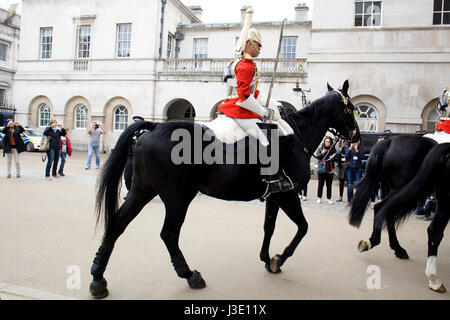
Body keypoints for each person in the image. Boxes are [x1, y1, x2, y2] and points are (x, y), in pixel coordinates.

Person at [217, 7, 295, 196]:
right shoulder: (245, 66)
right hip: (239, 109)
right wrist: (262, 111)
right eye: (258, 44)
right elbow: (244, 96)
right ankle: (272, 180)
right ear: (249, 44)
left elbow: (252, 90)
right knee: (266, 138)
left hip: (240, 104)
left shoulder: (247, 64)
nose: (260, 48)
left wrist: (271, 104)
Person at [124, 116, 147, 200]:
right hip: (130, 156)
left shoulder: (145, 133)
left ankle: (140, 193)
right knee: (127, 176)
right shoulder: (130, 133)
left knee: (140, 177)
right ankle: (130, 191)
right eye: (135, 123)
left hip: (140, 158)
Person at [315, 137, 337, 204]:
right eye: (326, 141)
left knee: (329, 185)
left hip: (330, 169)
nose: (327, 143)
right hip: (322, 169)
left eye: (328, 141)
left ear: (330, 142)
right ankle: (319, 198)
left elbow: (336, 159)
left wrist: (333, 158)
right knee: (320, 184)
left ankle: (329, 198)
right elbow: (317, 157)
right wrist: (322, 153)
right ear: (324, 142)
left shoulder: (333, 149)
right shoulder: (320, 149)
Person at [345, 139, 364, 207]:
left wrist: (357, 150)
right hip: (350, 168)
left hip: (357, 169)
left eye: (357, 141)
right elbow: (346, 157)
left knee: (357, 185)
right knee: (350, 185)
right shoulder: (349, 148)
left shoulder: (360, 148)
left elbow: (361, 157)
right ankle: (349, 201)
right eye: (354, 141)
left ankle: (356, 201)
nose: (356, 142)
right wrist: (350, 148)